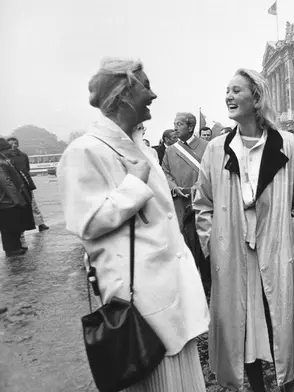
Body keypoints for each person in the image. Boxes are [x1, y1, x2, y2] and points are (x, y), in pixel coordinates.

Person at [57, 58, 210, 392]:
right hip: (141, 308)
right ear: (123, 93)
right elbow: (86, 222)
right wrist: (134, 187)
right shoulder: (83, 151)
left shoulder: (141, 149)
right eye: (145, 85)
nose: (153, 94)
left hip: (171, 296)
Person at [193, 68, 294, 392]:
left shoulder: (287, 145)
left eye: (236, 90)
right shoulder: (216, 149)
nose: (228, 96)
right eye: (227, 90)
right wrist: (213, 244)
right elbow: (202, 204)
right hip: (233, 255)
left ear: (256, 97)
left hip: (276, 253)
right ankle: (258, 388)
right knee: (242, 329)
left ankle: (287, 386)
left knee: (279, 322)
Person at [162, 112, 210, 283]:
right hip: (180, 204)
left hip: (203, 203)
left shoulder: (207, 147)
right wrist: (174, 188)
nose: (175, 127)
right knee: (185, 244)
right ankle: (190, 283)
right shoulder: (170, 151)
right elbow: (165, 173)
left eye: (179, 124)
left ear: (191, 127)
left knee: (205, 243)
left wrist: (198, 188)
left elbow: (211, 172)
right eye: (174, 123)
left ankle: (207, 283)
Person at [0, 137, 35, 257]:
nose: (10, 149)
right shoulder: (2, 162)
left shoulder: (5, 160)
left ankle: (15, 246)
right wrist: (17, 199)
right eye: (8, 148)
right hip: (5, 201)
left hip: (8, 199)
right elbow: (7, 183)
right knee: (8, 227)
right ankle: (11, 249)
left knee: (14, 224)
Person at [6, 137, 49, 233]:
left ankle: (40, 223)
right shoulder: (5, 158)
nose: (14, 145)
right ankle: (21, 226)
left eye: (15, 143)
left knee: (33, 204)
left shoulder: (23, 155)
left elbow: (27, 169)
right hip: (14, 186)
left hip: (26, 183)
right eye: (11, 144)